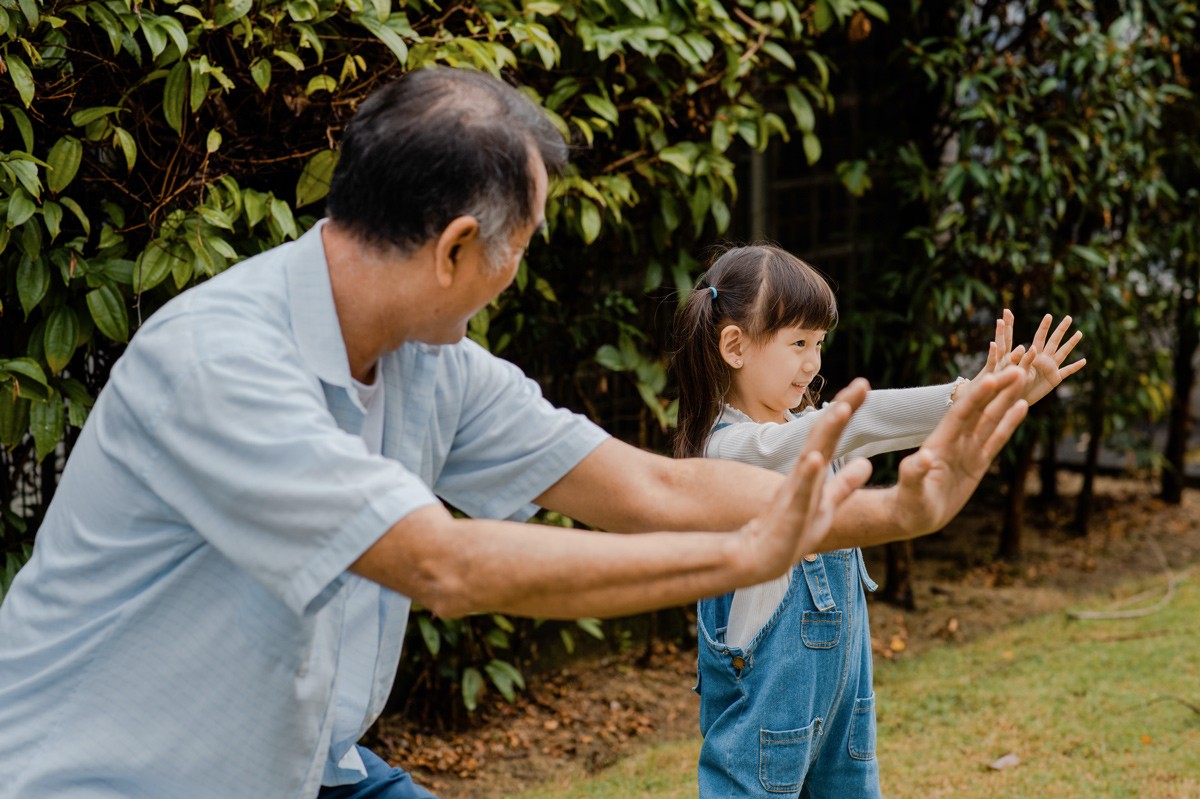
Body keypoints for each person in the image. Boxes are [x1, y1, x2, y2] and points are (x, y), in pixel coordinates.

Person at [0, 68, 1030, 799]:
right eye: (521, 247)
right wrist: (746, 552)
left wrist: (899, 509)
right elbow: (442, 563)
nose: (519, 273)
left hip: (313, 774)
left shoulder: (429, 365)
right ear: (456, 247)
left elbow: (653, 491)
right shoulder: (222, 361)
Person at [671, 244, 1085, 798]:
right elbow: (853, 424)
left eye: (818, 344)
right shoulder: (730, 450)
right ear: (734, 347)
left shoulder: (806, 429)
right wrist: (966, 393)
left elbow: (869, 430)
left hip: (846, 697)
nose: (813, 363)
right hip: (767, 707)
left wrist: (991, 402)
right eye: (797, 343)